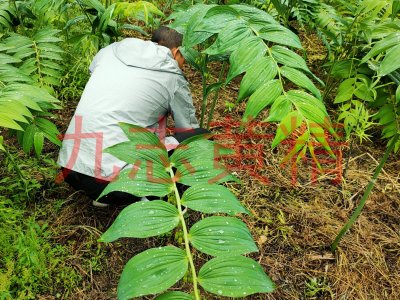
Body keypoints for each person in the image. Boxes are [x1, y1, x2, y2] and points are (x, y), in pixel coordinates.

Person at [57, 26, 205, 207]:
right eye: (185, 59)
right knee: (199, 136)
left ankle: (106, 192)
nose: (184, 65)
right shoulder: (172, 75)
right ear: (177, 52)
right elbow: (187, 128)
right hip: (112, 182)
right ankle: (145, 197)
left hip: (69, 168)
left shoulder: (110, 51)